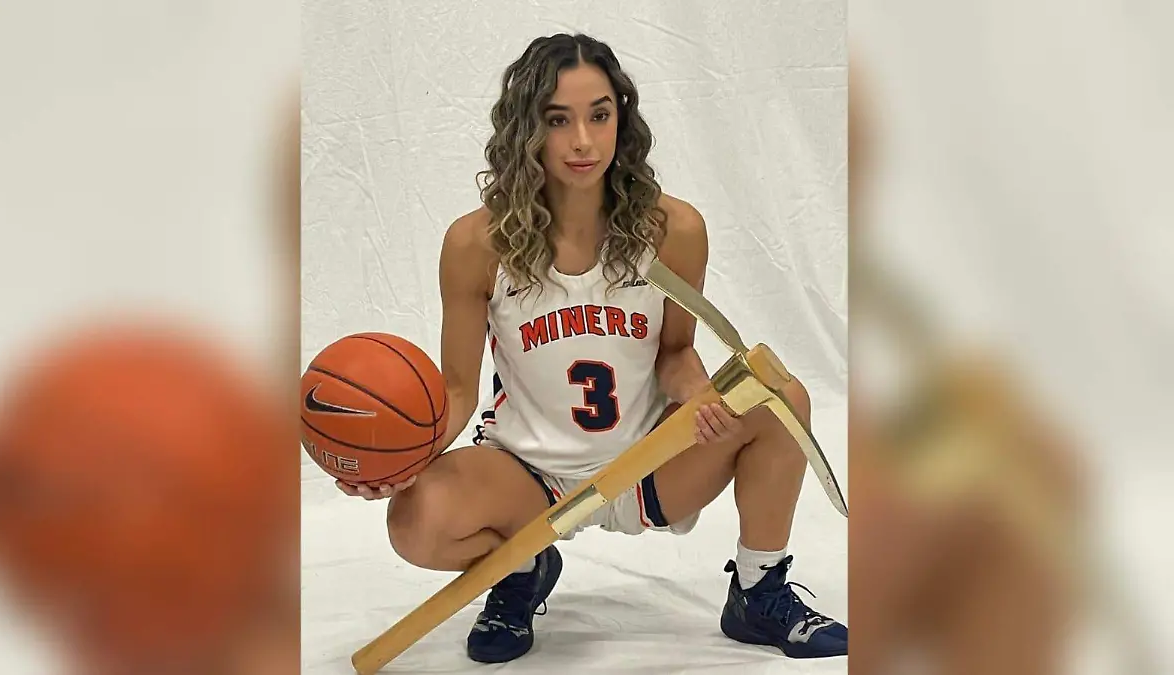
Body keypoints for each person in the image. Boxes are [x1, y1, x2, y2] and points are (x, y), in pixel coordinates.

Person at [336, 33, 847, 664]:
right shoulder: (477, 244)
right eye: (558, 120)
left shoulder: (673, 230)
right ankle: (521, 569)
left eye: (599, 115)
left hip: (647, 461)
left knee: (780, 400)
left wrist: (699, 397)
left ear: (621, 120)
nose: (583, 140)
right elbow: (460, 390)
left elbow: (675, 352)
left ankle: (757, 592)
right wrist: (400, 464)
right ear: (525, 129)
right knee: (415, 523)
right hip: (529, 473)